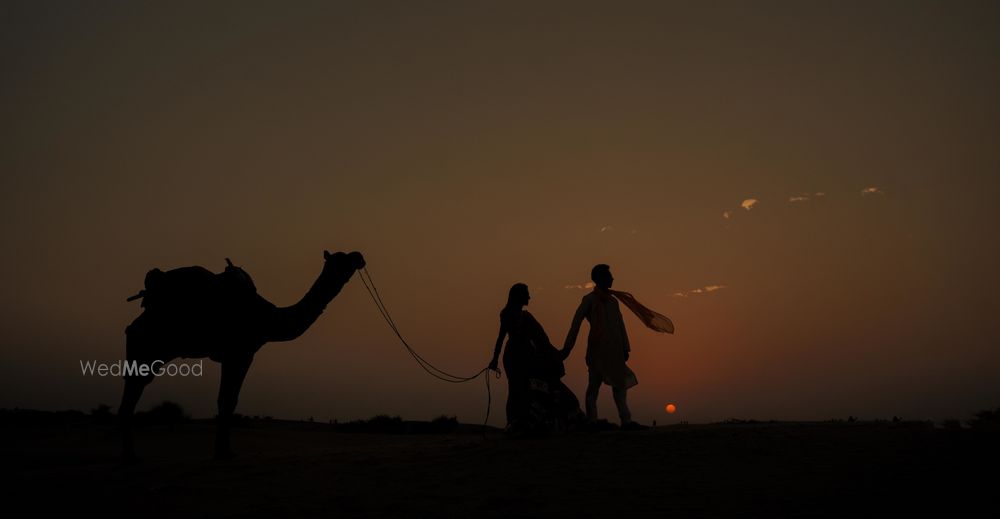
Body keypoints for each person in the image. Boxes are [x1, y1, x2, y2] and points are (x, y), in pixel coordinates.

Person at [561, 264, 673, 430]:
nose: (612, 278)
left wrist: (625, 347)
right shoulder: (589, 300)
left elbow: (620, 325)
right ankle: (592, 421)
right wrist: (567, 347)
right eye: (608, 276)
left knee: (619, 386)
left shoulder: (613, 302)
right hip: (597, 350)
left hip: (614, 350)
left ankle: (626, 420)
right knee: (594, 386)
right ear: (599, 279)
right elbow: (575, 323)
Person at [490, 283, 583, 434]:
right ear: (518, 296)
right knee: (515, 389)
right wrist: (494, 359)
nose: (529, 297)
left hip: (526, 356)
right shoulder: (508, 314)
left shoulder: (524, 316)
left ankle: (525, 422)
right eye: (526, 294)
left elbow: (541, 338)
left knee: (526, 389)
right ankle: (515, 422)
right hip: (516, 357)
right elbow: (501, 338)